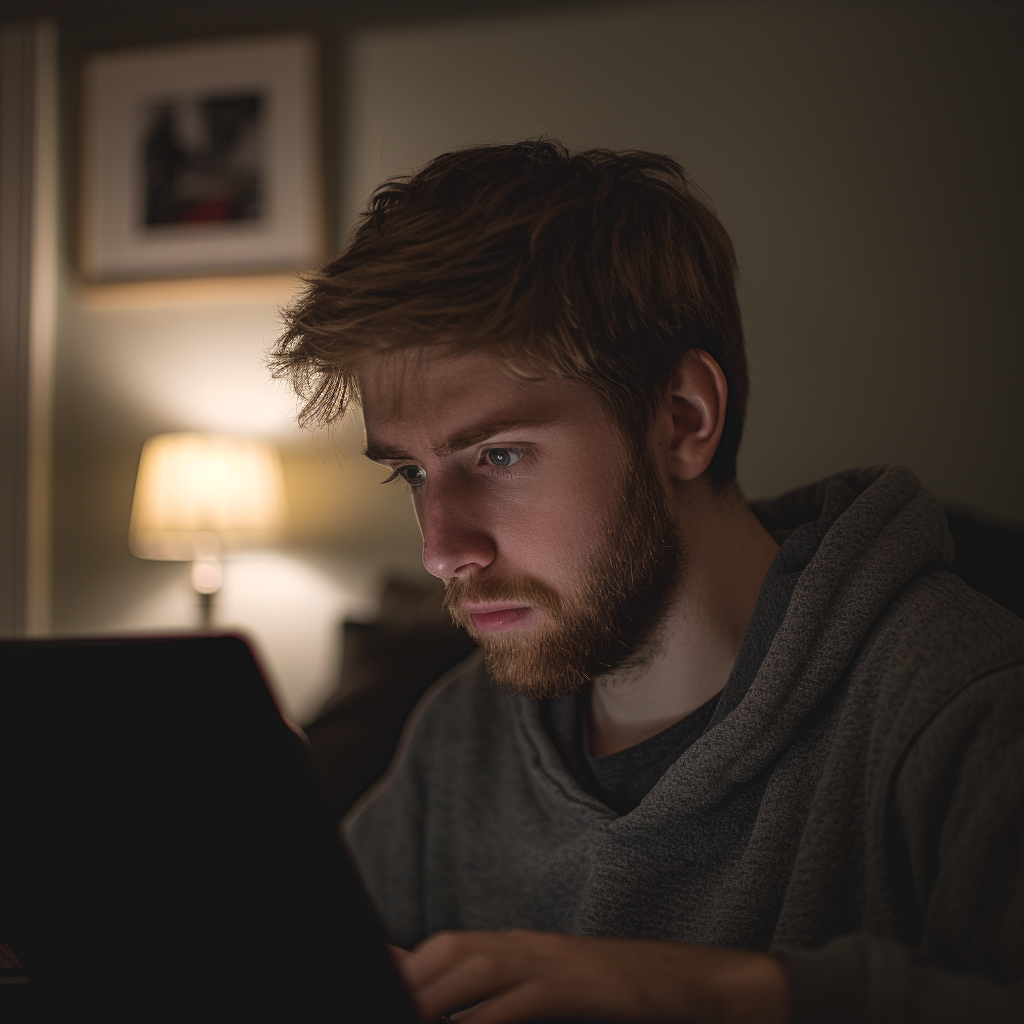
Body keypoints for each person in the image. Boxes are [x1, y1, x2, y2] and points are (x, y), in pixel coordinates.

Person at [271, 141, 1024, 1023]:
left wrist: (728, 995)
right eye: (411, 474)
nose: (442, 549)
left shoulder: (965, 702)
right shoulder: (460, 735)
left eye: (500, 455)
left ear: (683, 420)